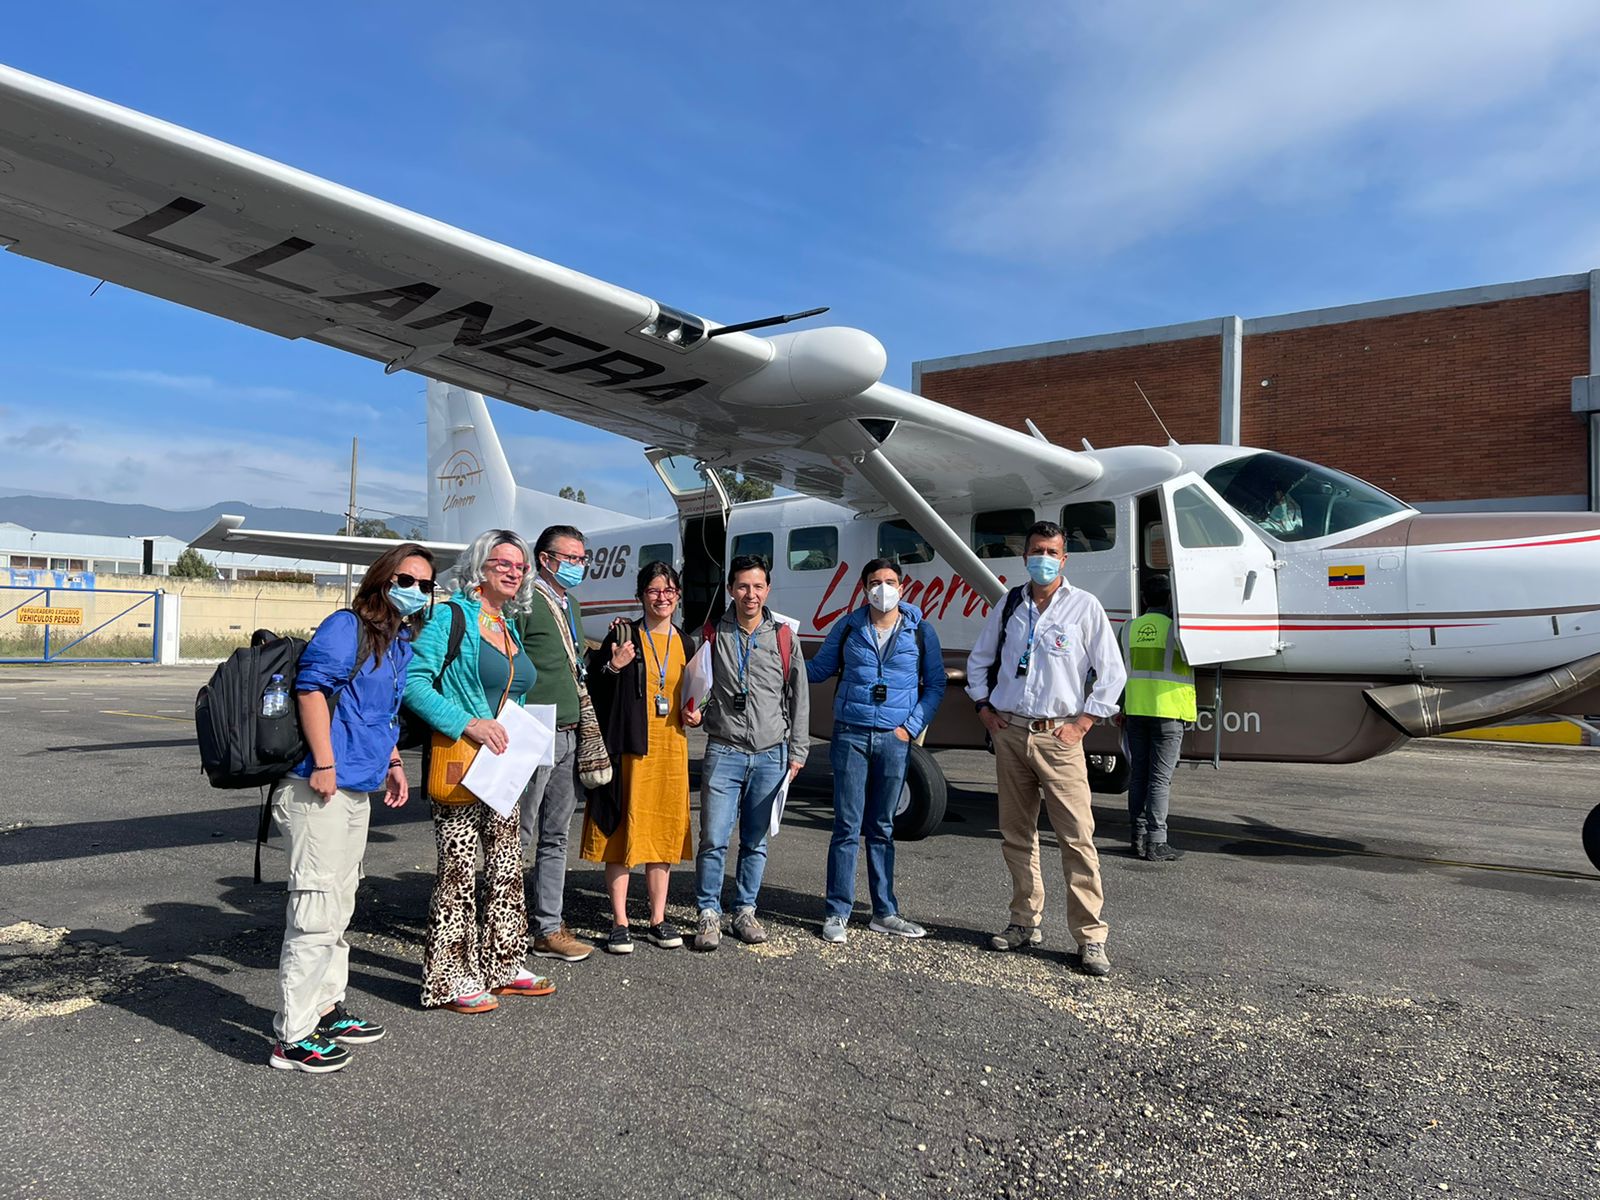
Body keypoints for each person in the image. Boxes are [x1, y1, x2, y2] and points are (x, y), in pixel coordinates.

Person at [268, 542, 435, 1073]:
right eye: (406, 580)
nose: (415, 591)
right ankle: (292, 1037)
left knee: (340, 902)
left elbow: (380, 711)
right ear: (381, 580)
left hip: (355, 787)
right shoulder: (348, 627)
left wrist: (392, 763)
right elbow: (312, 690)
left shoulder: (398, 644)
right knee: (315, 908)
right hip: (320, 787)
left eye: (425, 585)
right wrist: (323, 762)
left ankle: (327, 1008)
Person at [965, 520, 1127, 977]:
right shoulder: (1009, 604)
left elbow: (1112, 673)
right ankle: (1023, 921)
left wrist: (1084, 722)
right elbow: (980, 661)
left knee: (1077, 837)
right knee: (1017, 835)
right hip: (1011, 732)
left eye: (1052, 552)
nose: (1044, 558)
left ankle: (1091, 938)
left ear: (1064, 558)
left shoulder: (1084, 607)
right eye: (1037, 550)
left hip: (1059, 737)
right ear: (1025, 557)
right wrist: (984, 710)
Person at [404, 529, 554, 1013]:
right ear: (478, 569)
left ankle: (503, 963)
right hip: (462, 765)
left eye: (520, 566)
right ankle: (448, 978)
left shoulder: (505, 624)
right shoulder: (452, 617)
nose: (514, 572)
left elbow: (512, 689)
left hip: (501, 770)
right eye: (502, 564)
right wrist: (468, 722)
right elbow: (413, 683)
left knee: (508, 868)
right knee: (458, 873)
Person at [806, 558, 947, 943]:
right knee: (846, 826)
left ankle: (884, 912)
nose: (882, 588)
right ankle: (837, 911)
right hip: (850, 734)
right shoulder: (850, 626)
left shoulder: (920, 631)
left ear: (902, 587)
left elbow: (935, 684)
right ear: (864, 588)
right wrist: (779, 656)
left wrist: (910, 728)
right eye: (874, 582)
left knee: (882, 829)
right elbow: (818, 670)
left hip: (894, 738)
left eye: (889, 581)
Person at [692, 555, 810, 951]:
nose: (750, 594)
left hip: (771, 753)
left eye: (758, 586)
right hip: (724, 751)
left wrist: (799, 750)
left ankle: (744, 910)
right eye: (743, 586)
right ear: (731, 590)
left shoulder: (783, 635)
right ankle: (708, 913)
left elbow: (799, 696)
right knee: (713, 837)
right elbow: (696, 683)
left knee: (756, 839)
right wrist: (694, 709)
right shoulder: (711, 633)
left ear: (768, 590)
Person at [580, 561, 693, 954]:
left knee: (662, 836)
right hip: (629, 748)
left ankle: (658, 919)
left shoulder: (687, 642)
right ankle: (620, 921)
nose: (662, 598)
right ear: (640, 595)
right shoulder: (623, 634)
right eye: (653, 590)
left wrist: (698, 712)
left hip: (671, 750)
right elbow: (593, 685)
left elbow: (695, 695)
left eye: (669, 591)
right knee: (622, 832)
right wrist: (614, 664)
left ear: (678, 597)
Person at [512, 523, 593, 963]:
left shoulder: (571, 605)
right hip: (533, 730)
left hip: (567, 731)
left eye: (582, 558)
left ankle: (548, 925)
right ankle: (503, 923)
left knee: (556, 834)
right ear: (545, 558)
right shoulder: (525, 602)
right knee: (520, 832)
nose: (579, 565)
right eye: (572, 558)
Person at [1118, 575, 1195, 863]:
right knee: (1160, 779)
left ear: (1145, 599)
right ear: (1169, 599)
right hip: (1168, 711)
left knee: (1139, 775)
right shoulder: (1179, 630)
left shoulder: (1128, 629)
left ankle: (1137, 838)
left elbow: (1118, 669)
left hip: (1136, 710)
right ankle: (1157, 842)